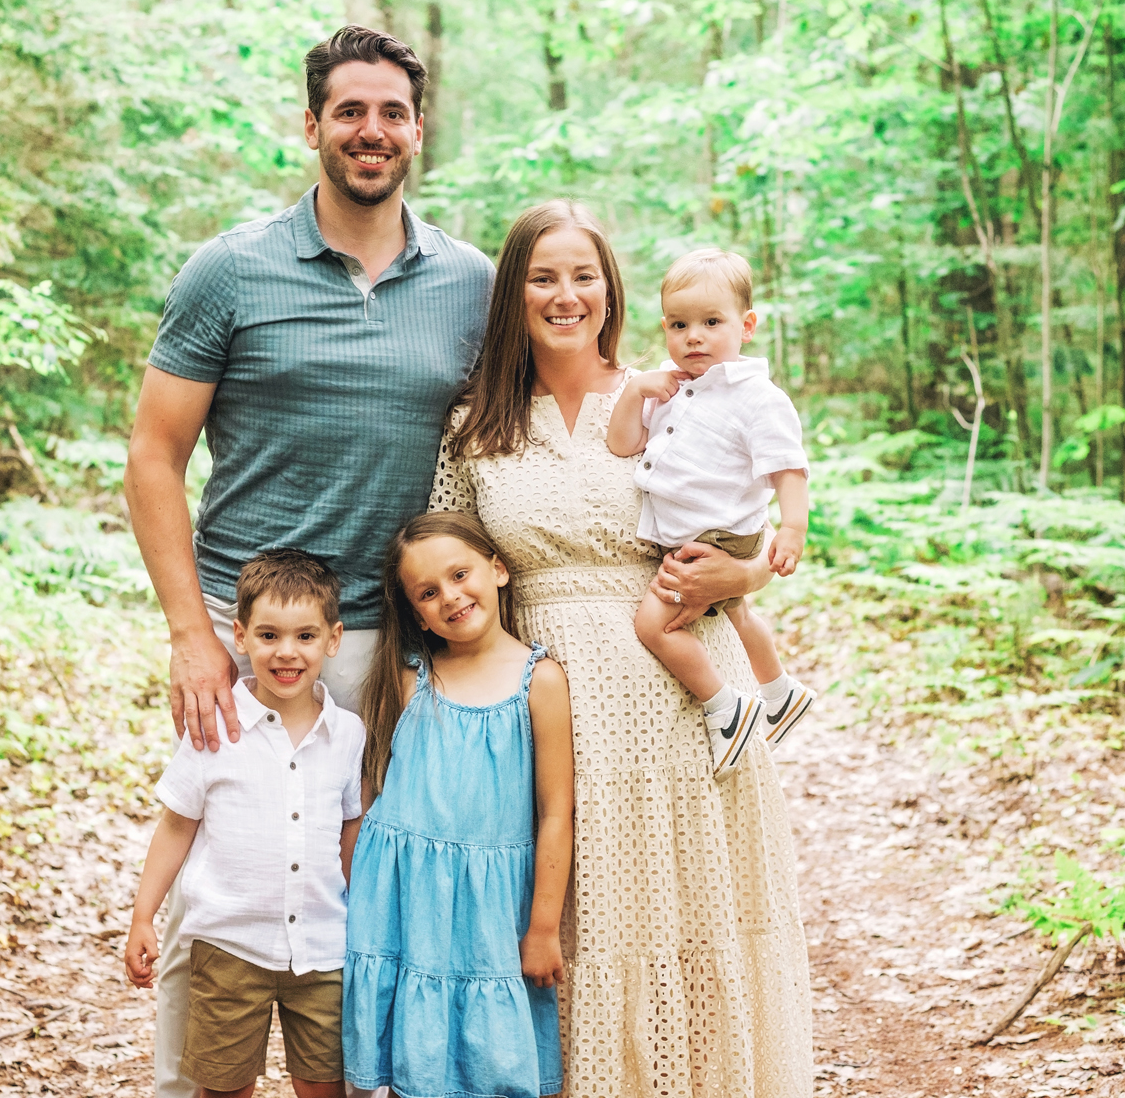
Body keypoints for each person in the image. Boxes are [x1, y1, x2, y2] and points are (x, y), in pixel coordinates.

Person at [123, 25, 494, 1098]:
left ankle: (371, 1075)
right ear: (312, 126)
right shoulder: (230, 269)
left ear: (416, 130)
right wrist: (196, 635)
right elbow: (153, 453)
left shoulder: (467, 282)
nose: (370, 132)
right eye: (349, 111)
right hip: (257, 642)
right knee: (226, 885)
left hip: (403, 645)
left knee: (374, 884)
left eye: (390, 113)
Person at [428, 200, 812, 1098]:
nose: (567, 295)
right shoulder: (473, 424)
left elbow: (751, 520)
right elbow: (445, 564)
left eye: (585, 275)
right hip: (547, 711)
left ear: (611, 287)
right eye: (544, 276)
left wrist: (744, 580)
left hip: (683, 698)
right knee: (580, 925)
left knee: (694, 917)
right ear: (512, 293)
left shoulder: (674, 392)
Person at [343, 512, 573, 1098]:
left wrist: (543, 925)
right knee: (412, 1059)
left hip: (488, 911)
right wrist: (350, 885)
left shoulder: (538, 680)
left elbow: (555, 811)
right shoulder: (409, 677)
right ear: (415, 612)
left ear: (497, 569)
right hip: (403, 900)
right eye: (427, 592)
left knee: (491, 1061)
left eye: (459, 573)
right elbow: (372, 793)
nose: (450, 596)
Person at [124, 551, 366, 1098]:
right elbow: (175, 826)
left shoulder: (348, 734)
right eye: (269, 635)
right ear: (240, 635)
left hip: (325, 950)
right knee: (224, 1089)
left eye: (306, 636)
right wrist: (144, 916)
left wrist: (363, 917)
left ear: (333, 639)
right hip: (230, 948)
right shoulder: (216, 727)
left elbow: (351, 829)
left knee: (324, 1086)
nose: (286, 652)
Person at [604, 247, 816, 778]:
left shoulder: (757, 398)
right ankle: (779, 692)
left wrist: (792, 529)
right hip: (701, 534)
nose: (693, 336)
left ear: (746, 326)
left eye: (710, 322)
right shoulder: (670, 386)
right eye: (679, 324)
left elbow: (788, 469)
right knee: (739, 611)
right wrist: (636, 393)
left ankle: (726, 706)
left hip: (717, 539)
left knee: (655, 626)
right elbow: (622, 444)